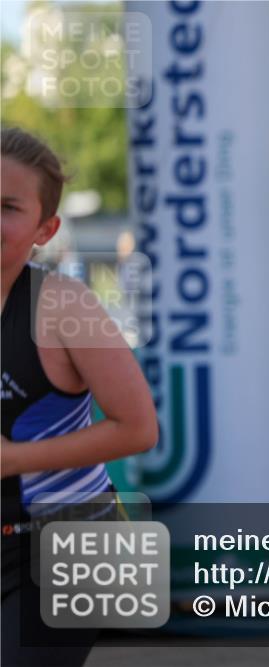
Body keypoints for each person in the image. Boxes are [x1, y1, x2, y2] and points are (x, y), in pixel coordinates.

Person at [1, 127, 158, 667]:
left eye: (7, 206)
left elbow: (139, 428)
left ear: (45, 228)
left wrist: (14, 459)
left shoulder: (65, 306)